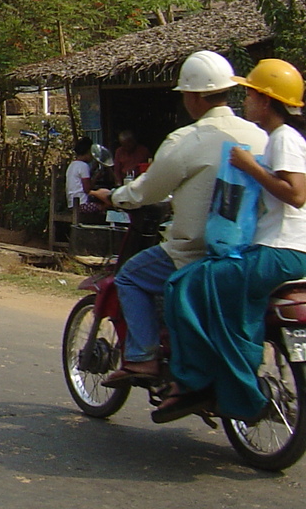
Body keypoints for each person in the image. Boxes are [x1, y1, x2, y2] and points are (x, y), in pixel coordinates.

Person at [89, 50, 268, 388]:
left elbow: (147, 190)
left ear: (194, 96)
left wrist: (113, 197)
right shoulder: (259, 135)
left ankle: (142, 359)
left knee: (128, 278)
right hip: (249, 249)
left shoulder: (187, 139)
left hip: (194, 251)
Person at [156, 59, 306, 423]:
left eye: (250, 94)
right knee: (231, 309)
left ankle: (195, 381)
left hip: (280, 252)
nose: (245, 102)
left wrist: (248, 166)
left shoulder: (284, 137)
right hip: (276, 250)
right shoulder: (279, 138)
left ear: (265, 100)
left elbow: (296, 194)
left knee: (184, 283)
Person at [65, 137, 107, 217]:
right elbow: (87, 189)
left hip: (71, 204)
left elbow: (83, 178)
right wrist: (96, 177)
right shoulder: (83, 166)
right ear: (88, 152)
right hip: (82, 204)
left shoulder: (73, 165)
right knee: (105, 207)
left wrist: (93, 169)